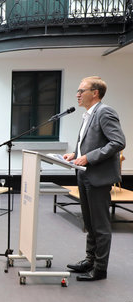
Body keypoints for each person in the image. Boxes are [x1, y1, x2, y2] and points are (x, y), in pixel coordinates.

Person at [64, 76, 126, 281]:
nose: (78, 94)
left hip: (98, 176)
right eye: (78, 90)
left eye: (82, 90)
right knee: (89, 223)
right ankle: (89, 260)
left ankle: (100, 268)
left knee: (100, 225)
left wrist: (89, 157)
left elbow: (117, 142)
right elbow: (87, 142)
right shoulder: (88, 114)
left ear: (95, 93)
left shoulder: (104, 112)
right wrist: (75, 154)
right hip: (84, 174)